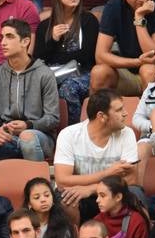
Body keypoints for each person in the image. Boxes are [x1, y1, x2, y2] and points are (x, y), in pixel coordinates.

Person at [0, 20, 59, 161]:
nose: (3, 42)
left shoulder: (45, 74)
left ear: (25, 42)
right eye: (2, 37)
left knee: (27, 137)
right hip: (7, 137)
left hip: (40, 136)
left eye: (9, 37)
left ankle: (36, 182)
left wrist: (28, 125)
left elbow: (52, 118)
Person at [53, 88, 139, 220]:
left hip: (111, 193)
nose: (125, 114)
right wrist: (107, 173)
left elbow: (131, 180)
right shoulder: (69, 135)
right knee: (66, 199)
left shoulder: (127, 134)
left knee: (135, 193)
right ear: (101, 116)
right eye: (119, 110)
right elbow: (62, 180)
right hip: (79, 195)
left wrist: (93, 188)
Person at [36, 0, 101, 126]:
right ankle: (45, 130)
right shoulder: (45, 25)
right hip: (52, 75)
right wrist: (53, 40)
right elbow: (38, 59)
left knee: (68, 88)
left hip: (83, 73)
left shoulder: (88, 20)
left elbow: (86, 55)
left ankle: (74, 132)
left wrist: (57, 56)